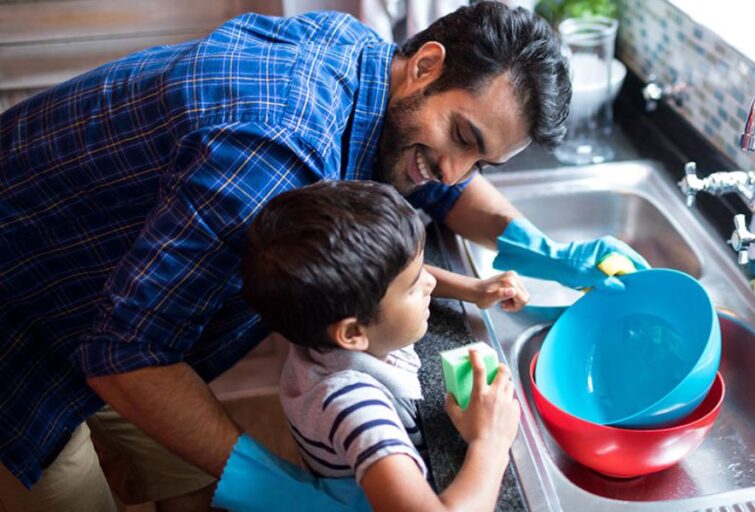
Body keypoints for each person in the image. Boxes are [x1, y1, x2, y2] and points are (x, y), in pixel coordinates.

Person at [0, 2, 648, 510]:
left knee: (186, 476)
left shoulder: (370, 64)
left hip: (135, 309)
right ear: (425, 64)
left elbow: (437, 174)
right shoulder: (273, 152)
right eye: (462, 136)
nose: (454, 171)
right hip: (28, 317)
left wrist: (542, 251)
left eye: (481, 158)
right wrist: (282, 491)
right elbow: (123, 356)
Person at [241, 179, 521, 511]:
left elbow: (392, 276)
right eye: (416, 286)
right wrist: (490, 442)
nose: (430, 282)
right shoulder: (354, 405)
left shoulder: (320, 327)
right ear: (352, 333)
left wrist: (472, 289)